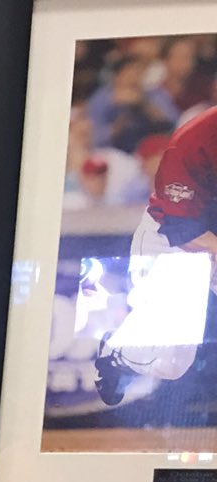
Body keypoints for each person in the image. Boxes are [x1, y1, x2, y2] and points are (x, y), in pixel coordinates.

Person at [94, 104, 217, 405]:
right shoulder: (196, 139)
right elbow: (184, 231)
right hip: (172, 242)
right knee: (170, 363)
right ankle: (117, 351)